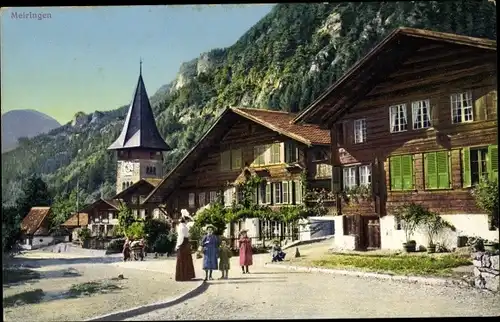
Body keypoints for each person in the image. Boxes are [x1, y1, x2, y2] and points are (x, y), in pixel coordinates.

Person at [175, 214, 196, 282]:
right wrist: (179, 245)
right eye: (187, 220)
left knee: (182, 259)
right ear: (185, 220)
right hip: (185, 243)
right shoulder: (183, 227)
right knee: (186, 259)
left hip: (183, 244)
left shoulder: (181, 227)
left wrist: (178, 245)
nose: (188, 221)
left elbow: (180, 237)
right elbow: (182, 237)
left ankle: (182, 276)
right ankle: (186, 275)